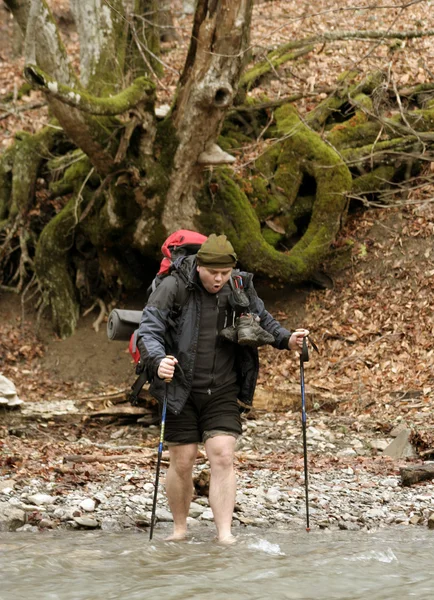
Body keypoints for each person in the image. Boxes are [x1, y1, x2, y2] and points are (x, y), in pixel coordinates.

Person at [137, 234, 309, 543]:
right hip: (178, 386)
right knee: (184, 459)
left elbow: (264, 320)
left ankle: (225, 535)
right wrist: (158, 360)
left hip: (224, 386)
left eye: (225, 273)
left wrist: (288, 339)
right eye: (213, 272)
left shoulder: (239, 286)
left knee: (223, 455)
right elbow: (148, 331)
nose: (219, 279)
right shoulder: (173, 286)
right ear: (199, 265)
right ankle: (179, 530)